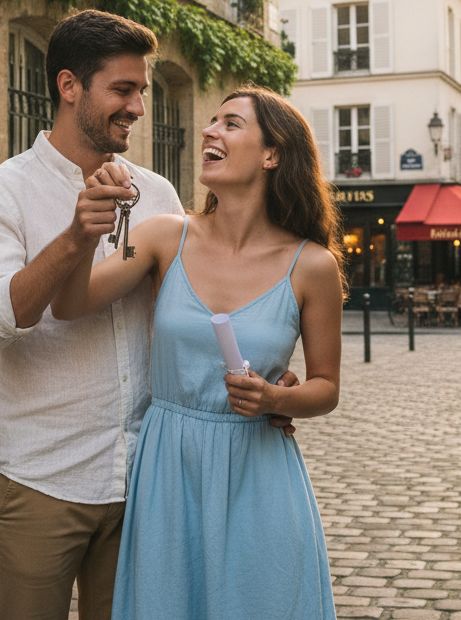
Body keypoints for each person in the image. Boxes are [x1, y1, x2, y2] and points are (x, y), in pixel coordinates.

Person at [0, 11, 298, 620]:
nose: (139, 106)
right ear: (70, 87)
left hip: (149, 482)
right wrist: (72, 238)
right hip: (41, 479)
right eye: (123, 89)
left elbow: (204, 315)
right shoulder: (0, 190)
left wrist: (271, 381)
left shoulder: (161, 196)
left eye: (142, 90)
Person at [52, 86, 344, 620]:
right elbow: (72, 304)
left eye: (230, 124)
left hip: (259, 473)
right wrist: (81, 230)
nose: (210, 131)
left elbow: (325, 388)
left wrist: (274, 396)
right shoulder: (161, 236)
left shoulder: (313, 265)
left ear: (272, 154)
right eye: (211, 122)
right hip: (169, 468)